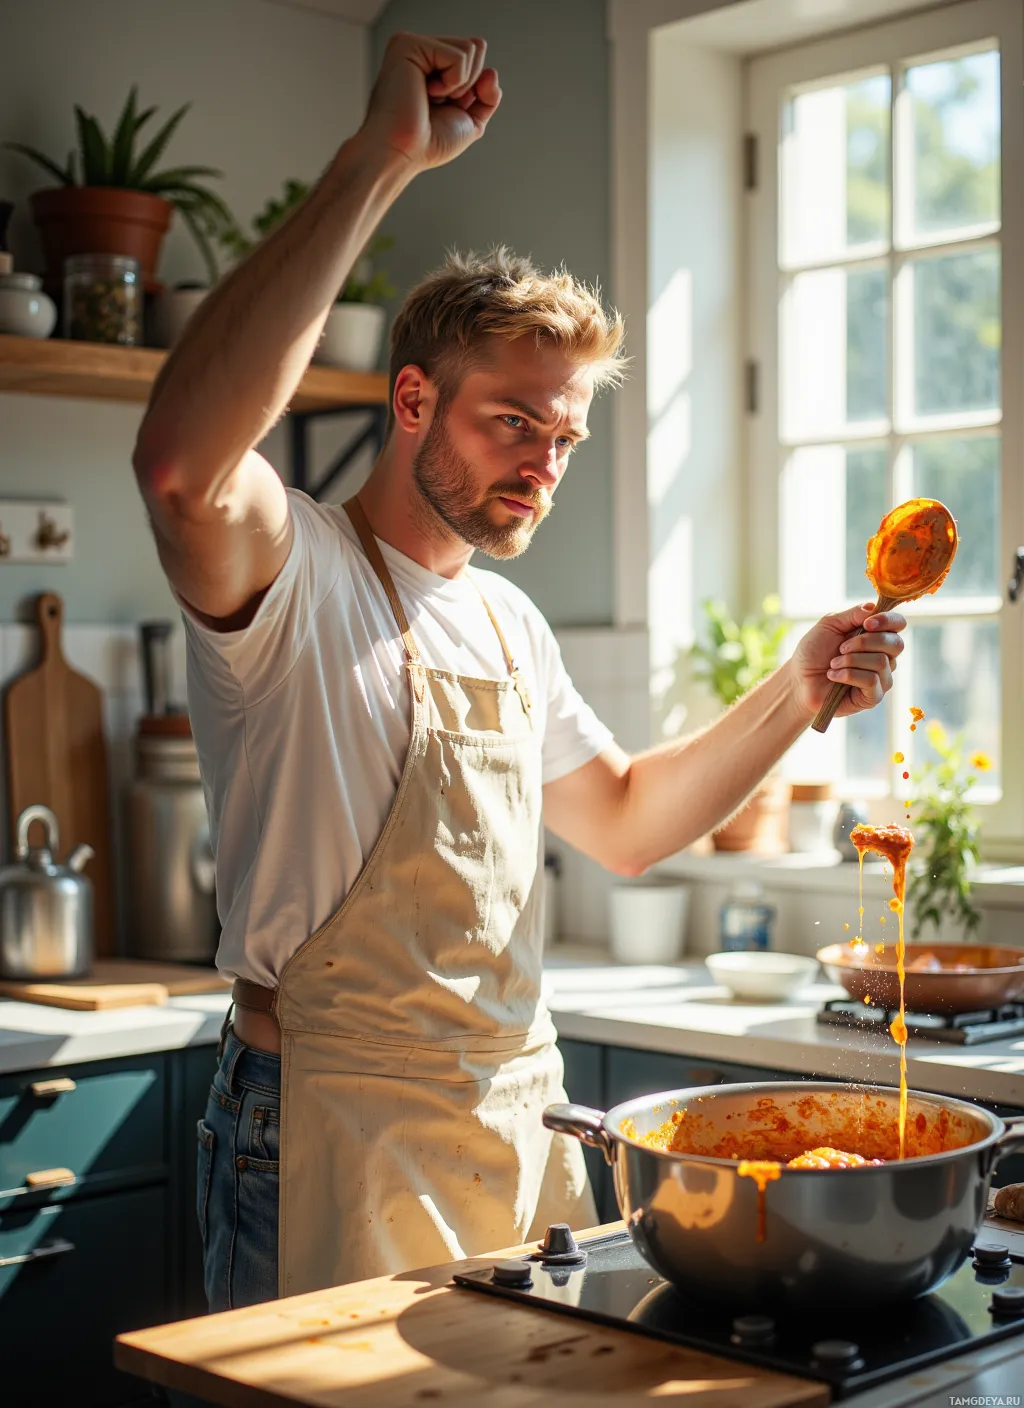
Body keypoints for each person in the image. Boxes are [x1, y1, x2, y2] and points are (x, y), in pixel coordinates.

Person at [132, 32, 906, 1312]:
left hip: (512, 1119)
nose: (544, 461)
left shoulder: (505, 623)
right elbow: (179, 467)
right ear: (415, 400)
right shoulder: (295, 566)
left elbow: (625, 820)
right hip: (327, 1119)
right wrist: (381, 157)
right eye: (513, 421)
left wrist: (795, 688)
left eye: (566, 436)